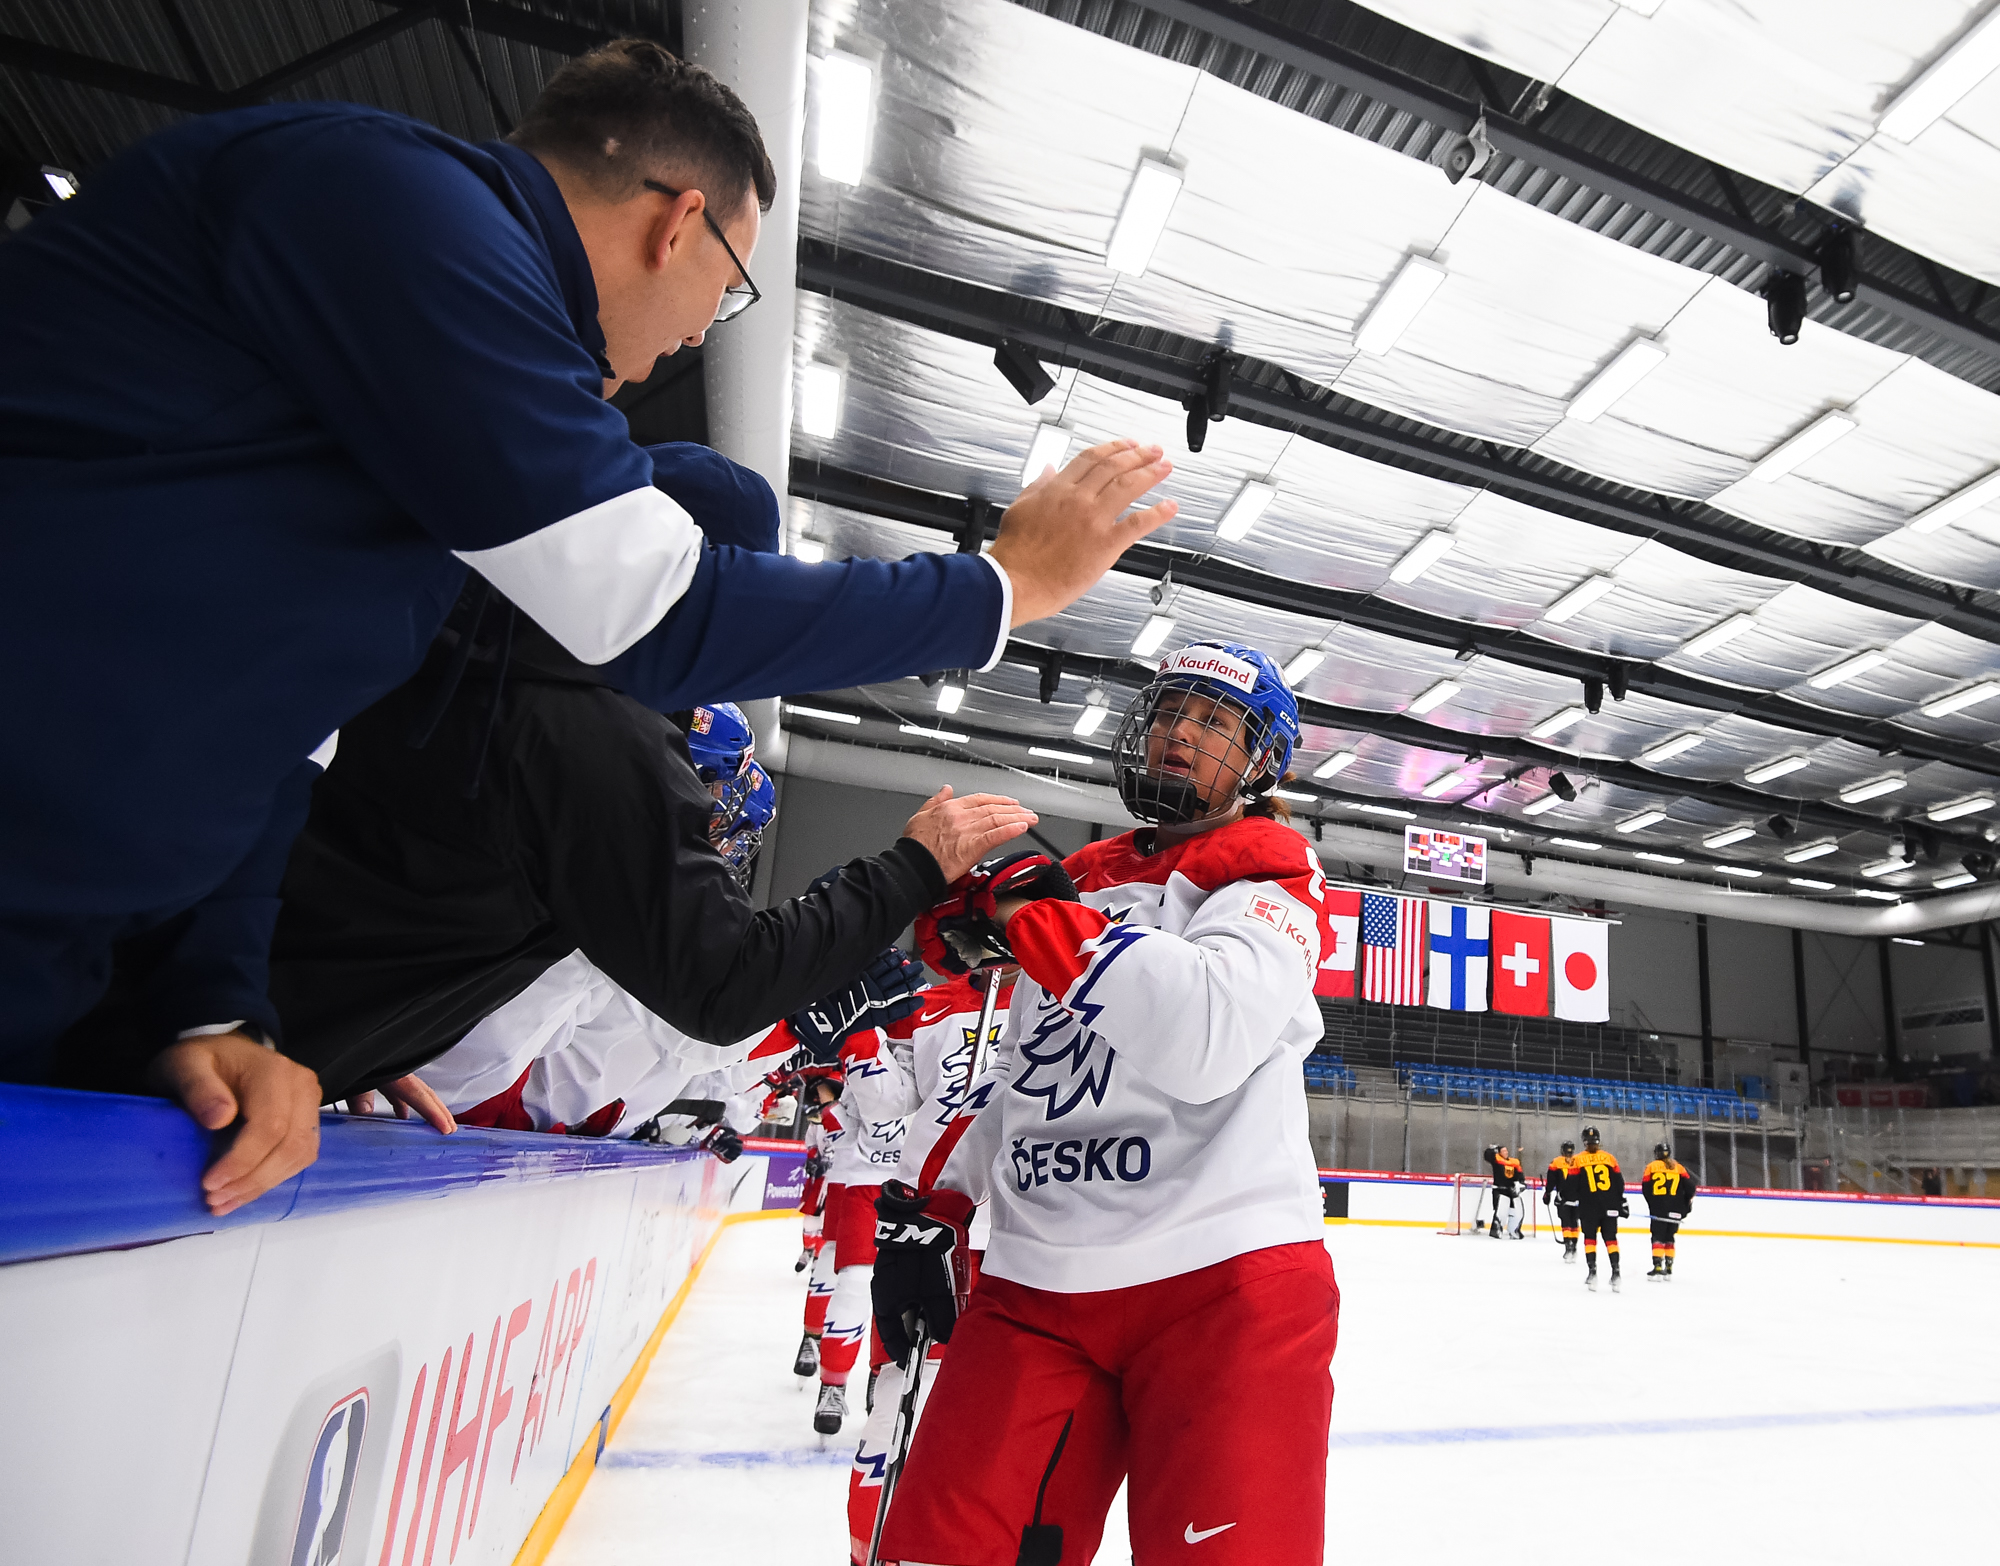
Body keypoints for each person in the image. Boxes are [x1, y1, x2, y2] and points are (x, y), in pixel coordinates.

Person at [0, 37, 1181, 1208]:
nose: (698, 328)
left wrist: (217, 1006)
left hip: (63, 928)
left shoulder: (415, 495)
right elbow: (659, 611)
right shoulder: (395, 207)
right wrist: (1000, 587)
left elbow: (286, 745)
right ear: (681, 224)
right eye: (729, 293)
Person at [870, 640, 1338, 1566]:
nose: (1178, 735)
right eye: (1169, 714)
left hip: (1225, 1286)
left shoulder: (1270, 879)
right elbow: (1025, 1071)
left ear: (1262, 762)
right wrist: (936, 1207)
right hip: (1036, 1285)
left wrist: (1033, 922)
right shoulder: (1078, 885)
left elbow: (1205, 1035)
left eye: (1212, 723)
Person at [840, 966, 1017, 1564]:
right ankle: (871, 1551)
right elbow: (884, 1126)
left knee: (1003, 1425)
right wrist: (861, 1040)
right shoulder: (924, 1007)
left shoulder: (1079, 986)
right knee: (897, 1408)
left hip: (1034, 1236)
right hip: (933, 1230)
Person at [1565, 1126, 1627, 1293]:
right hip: (1610, 1206)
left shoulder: (1577, 1160)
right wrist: (1621, 1202)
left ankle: (1592, 1273)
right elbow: (1619, 1183)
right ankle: (1616, 1273)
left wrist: (1568, 1198)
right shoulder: (1609, 1158)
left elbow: (1571, 1184)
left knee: (1590, 1239)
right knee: (1611, 1239)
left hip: (1589, 1206)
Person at [1640, 1142, 1697, 1280]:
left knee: (1657, 1237)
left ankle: (1658, 1266)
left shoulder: (1651, 1167)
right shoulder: (1679, 1167)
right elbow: (1691, 1188)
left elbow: (1646, 1189)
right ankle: (1669, 1267)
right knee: (1670, 1237)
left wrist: (1653, 1204)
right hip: (1676, 1209)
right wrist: (1684, 1204)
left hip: (1659, 1208)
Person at [1544, 1140, 1580, 1262]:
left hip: (1563, 1198)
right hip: (1577, 1198)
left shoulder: (1556, 1162)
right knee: (1574, 1222)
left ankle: (1569, 1246)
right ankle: (1573, 1247)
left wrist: (1547, 1193)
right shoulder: (1579, 1161)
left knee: (1566, 1222)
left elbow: (1551, 1179)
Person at [1484, 1144, 1525, 1239]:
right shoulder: (1497, 1160)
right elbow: (1487, 1156)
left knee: (1517, 1211)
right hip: (1499, 1189)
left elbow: (1520, 1175)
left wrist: (1521, 1184)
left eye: (1506, 1150)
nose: (1506, 1152)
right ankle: (1496, 1229)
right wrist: (1492, 1149)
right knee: (1501, 1211)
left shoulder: (1514, 1162)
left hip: (1511, 1190)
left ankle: (1514, 1230)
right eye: (1503, 1151)